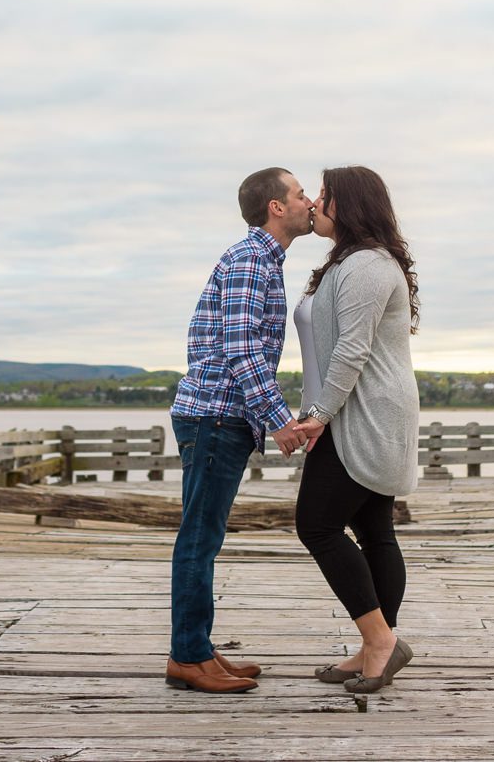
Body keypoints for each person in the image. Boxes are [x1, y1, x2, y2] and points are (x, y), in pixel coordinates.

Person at [165, 166, 323, 693]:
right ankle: (187, 658)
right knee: (199, 538)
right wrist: (278, 421)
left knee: (204, 535)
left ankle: (199, 649)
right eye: (300, 194)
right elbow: (241, 349)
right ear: (276, 207)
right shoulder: (250, 260)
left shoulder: (262, 260)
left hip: (220, 414)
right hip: (213, 415)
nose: (309, 200)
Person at [288, 165, 421, 694]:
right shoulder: (346, 262)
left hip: (364, 411)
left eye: (325, 195)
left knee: (316, 525)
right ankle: (375, 645)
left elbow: (352, 350)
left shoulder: (366, 265)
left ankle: (380, 642)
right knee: (372, 529)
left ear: (351, 203)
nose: (316, 202)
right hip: (353, 407)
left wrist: (318, 414)